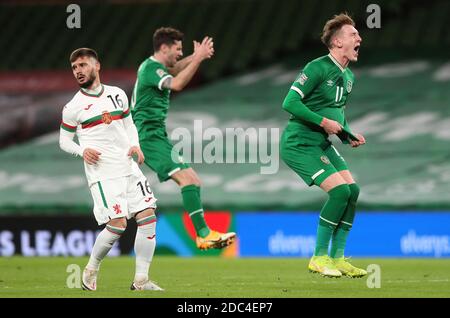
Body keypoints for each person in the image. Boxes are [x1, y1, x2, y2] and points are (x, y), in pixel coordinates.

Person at [59, 48, 162, 291]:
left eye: (83, 65)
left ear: (96, 66)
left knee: (148, 217)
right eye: (74, 68)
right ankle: (90, 270)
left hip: (128, 166)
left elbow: (129, 124)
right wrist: (81, 151)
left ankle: (141, 280)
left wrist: (135, 145)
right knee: (118, 225)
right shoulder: (73, 106)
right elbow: (64, 141)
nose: (78, 71)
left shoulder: (117, 94)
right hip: (103, 172)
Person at [130, 27, 236, 250]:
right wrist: (197, 58)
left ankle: (203, 234)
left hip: (157, 136)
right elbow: (177, 83)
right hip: (147, 138)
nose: (180, 53)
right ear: (164, 47)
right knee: (188, 180)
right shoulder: (150, 69)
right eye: (177, 49)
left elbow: (175, 68)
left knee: (193, 180)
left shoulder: (155, 67)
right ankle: (203, 234)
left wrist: (195, 57)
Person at [280, 13, 367, 278]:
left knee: (352, 190)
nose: (359, 38)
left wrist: (347, 134)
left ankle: (339, 258)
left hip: (321, 143)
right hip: (298, 143)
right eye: (353, 35)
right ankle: (319, 256)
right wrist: (323, 121)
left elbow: (336, 113)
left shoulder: (348, 76)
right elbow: (289, 103)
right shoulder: (316, 67)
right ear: (338, 42)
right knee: (339, 192)